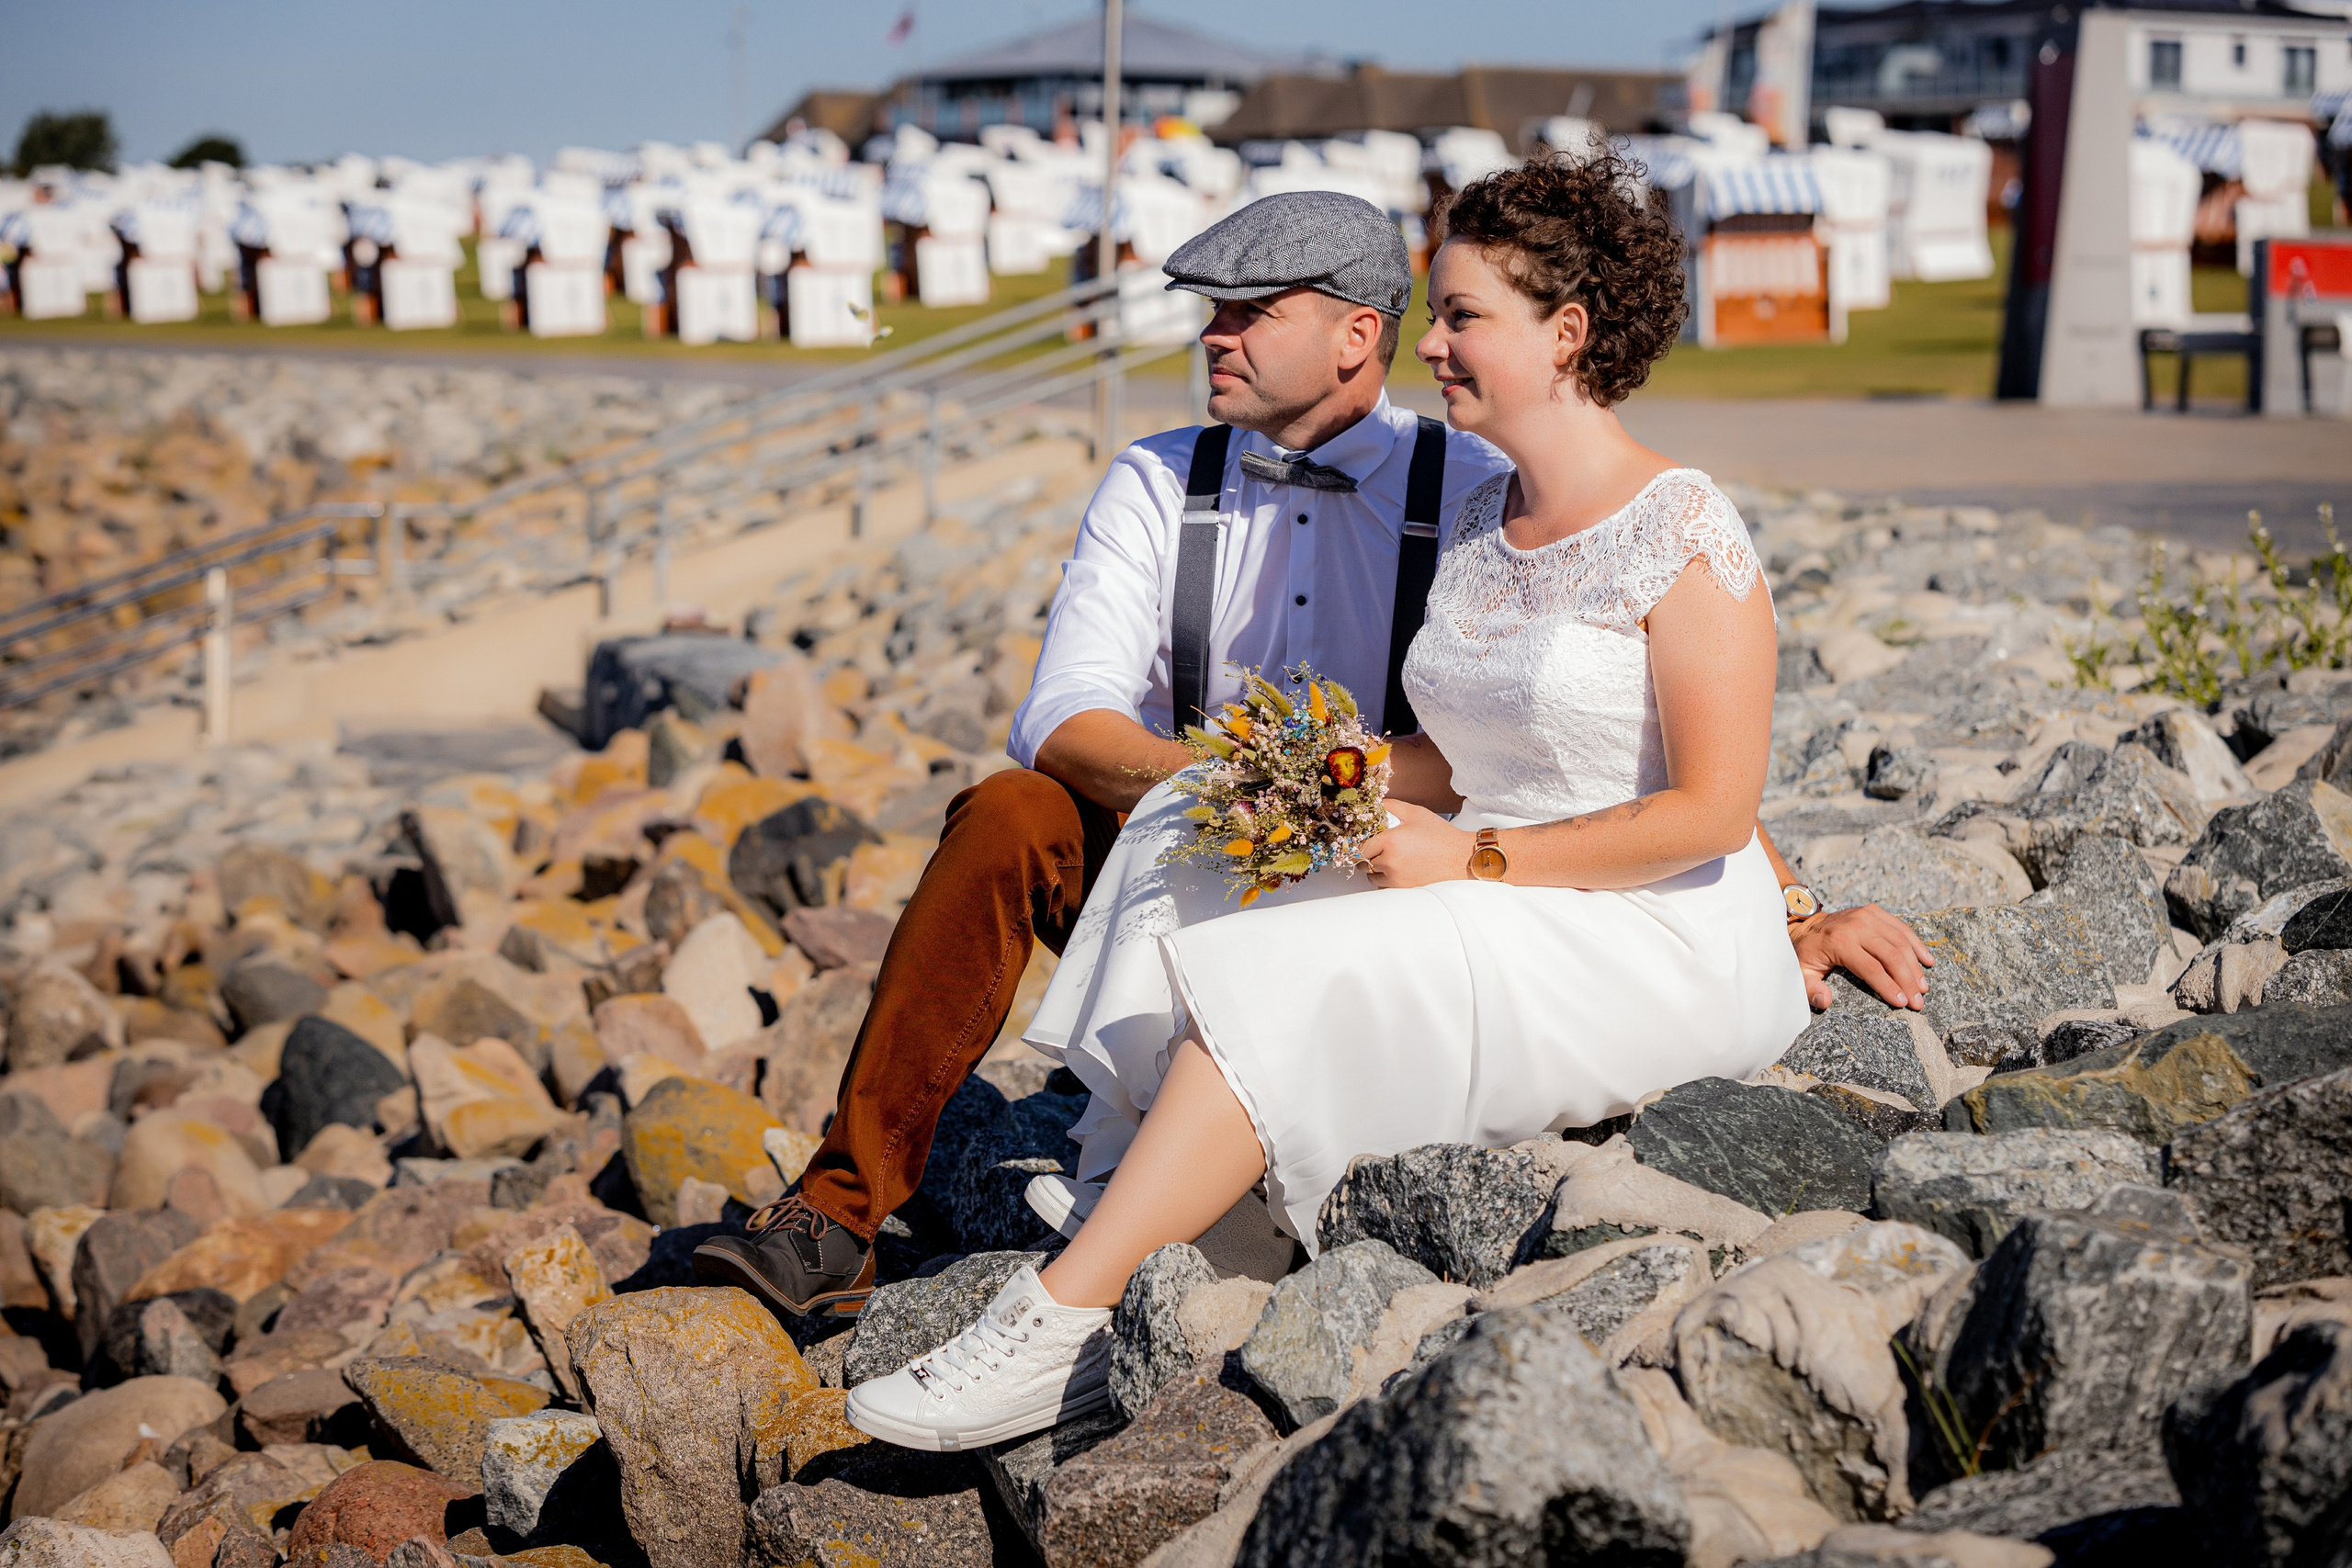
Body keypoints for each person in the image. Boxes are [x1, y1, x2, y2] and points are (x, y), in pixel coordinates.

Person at [693, 185, 1932, 1326]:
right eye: (1209, 313)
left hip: (1388, 856)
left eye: (1247, 312)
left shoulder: (1478, 485)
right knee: (1012, 810)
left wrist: (1789, 904)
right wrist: (1246, 795)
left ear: (1355, 336)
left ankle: (1203, 1211)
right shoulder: (1155, 480)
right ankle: (841, 1210)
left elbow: (1607, 721)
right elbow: (1062, 720)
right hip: (1201, 838)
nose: (1211, 337)